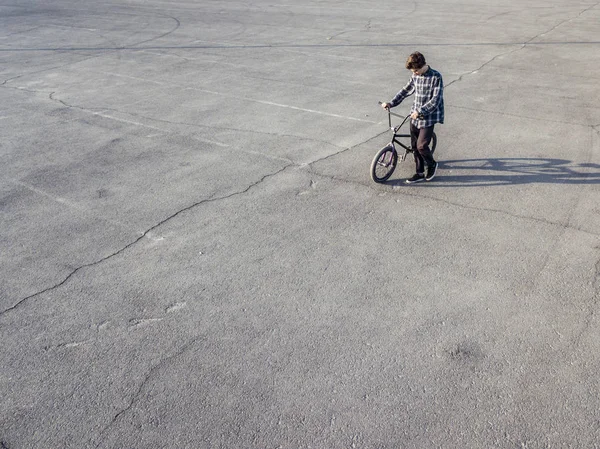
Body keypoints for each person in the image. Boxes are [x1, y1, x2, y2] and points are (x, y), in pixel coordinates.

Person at [381, 51, 444, 184]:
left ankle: (432, 164)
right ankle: (419, 172)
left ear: (423, 65)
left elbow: (435, 100)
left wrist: (421, 110)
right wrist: (391, 103)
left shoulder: (436, 77)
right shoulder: (415, 76)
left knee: (421, 146)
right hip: (414, 116)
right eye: (412, 71)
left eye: (416, 70)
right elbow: (405, 91)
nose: (414, 73)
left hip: (429, 117)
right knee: (414, 146)